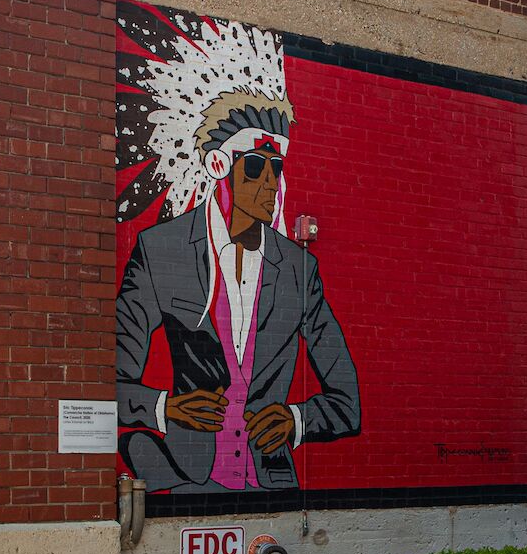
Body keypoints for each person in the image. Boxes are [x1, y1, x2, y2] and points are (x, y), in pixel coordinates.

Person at [117, 92, 361, 493]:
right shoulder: (162, 251)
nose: (270, 184)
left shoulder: (299, 269)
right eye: (254, 167)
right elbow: (112, 381)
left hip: (272, 481)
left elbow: (347, 401)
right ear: (219, 165)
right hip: (185, 477)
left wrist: (297, 420)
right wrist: (166, 408)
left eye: (277, 170)